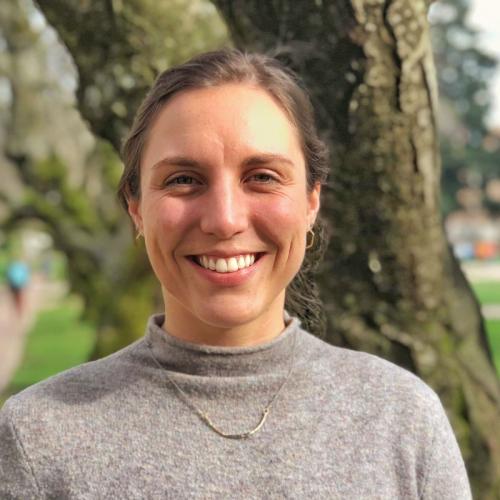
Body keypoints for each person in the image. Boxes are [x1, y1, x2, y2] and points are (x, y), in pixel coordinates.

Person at [0, 49, 472, 499]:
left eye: (262, 176)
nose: (225, 219)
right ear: (137, 210)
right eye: (184, 179)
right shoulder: (41, 438)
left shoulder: (402, 420)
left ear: (311, 203)